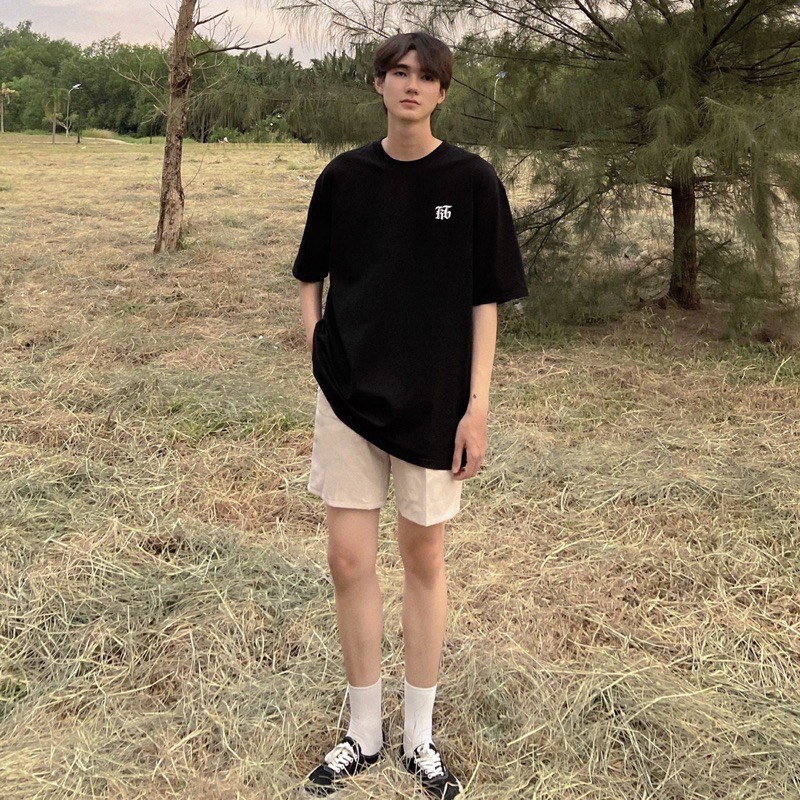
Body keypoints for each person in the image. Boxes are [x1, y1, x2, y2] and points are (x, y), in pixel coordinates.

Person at [293, 30, 527, 799]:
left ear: (443, 92)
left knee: (424, 559)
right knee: (348, 560)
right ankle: (363, 732)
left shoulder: (472, 182)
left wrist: (477, 408)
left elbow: (485, 301)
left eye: (427, 76)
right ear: (379, 83)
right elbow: (310, 274)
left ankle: (418, 738)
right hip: (348, 397)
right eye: (399, 72)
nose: (411, 86)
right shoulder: (344, 177)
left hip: (436, 402)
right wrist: (317, 346)